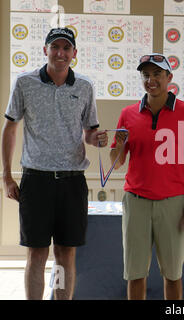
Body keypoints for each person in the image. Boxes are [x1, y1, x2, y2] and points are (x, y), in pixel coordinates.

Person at [1, 27, 108, 300]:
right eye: (55, 47)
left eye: (66, 48)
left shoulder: (84, 86)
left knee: (65, 252)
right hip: (36, 180)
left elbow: (89, 133)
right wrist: (6, 176)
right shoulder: (25, 83)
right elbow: (10, 128)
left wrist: (101, 139)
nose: (60, 53)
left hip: (72, 181)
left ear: (74, 53)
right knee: (36, 252)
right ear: (45, 50)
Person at [110, 53, 184, 300]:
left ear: (169, 77)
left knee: (172, 275)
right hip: (136, 202)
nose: (151, 80)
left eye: (157, 74)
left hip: (172, 204)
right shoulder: (127, 114)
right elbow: (117, 163)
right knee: (135, 274)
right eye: (146, 75)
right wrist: (117, 146)